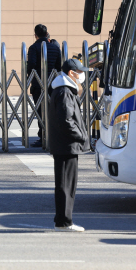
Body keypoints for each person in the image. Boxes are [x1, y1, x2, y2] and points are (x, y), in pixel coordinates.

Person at [48, 58, 90, 232]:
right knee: (66, 185)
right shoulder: (65, 91)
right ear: (72, 73)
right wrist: (81, 136)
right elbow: (66, 120)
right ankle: (64, 222)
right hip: (67, 144)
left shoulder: (63, 89)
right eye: (80, 72)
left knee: (65, 184)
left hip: (65, 144)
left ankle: (62, 220)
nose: (82, 76)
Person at [27, 24, 62, 147]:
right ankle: (53, 137)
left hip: (38, 84)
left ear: (35, 35)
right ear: (47, 33)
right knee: (52, 111)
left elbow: (31, 64)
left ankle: (43, 137)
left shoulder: (34, 48)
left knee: (41, 111)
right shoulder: (55, 48)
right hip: (53, 84)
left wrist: (30, 76)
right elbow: (59, 67)